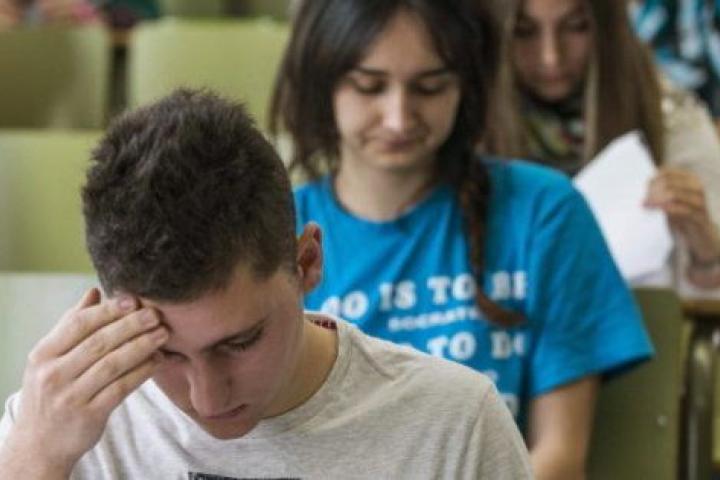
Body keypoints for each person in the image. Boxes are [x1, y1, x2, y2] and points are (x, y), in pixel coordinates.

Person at [0, 90, 532, 478]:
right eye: (165, 353)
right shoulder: (52, 427)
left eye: (240, 342)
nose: (208, 398)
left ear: (307, 263)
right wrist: (34, 462)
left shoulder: (455, 425)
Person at [270, 0, 653, 478]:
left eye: (430, 87)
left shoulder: (543, 212)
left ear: (466, 86)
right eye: (369, 87)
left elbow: (559, 457)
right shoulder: (271, 230)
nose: (399, 117)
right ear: (321, 81)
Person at [484, 0, 720, 295]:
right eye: (525, 32)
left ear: (608, 29)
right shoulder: (464, 121)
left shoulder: (669, 117)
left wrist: (705, 247)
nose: (550, 57)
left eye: (576, 27)